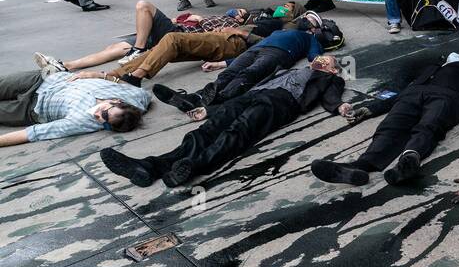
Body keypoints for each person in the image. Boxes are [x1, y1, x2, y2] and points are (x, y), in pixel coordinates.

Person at [100, 55, 357, 188]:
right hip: (252, 95)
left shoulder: (331, 79)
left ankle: (192, 166)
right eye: (320, 57)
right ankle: (149, 167)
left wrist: (340, 106)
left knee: (238, 131)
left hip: (280, 102)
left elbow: (331, 96)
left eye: (329, 61)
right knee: (206, 130)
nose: (322, 59)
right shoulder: (291, 69)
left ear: (333, 69)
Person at [313, 52, 459, 187]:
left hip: (447, 96)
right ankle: (361, 166)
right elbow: (401, 93)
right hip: (413, 95)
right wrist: (370, 109)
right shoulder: (431, 68)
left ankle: (409, 160)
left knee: (429, 125)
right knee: (390, 126)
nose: (455, 54)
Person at [33, 0, 255, 77]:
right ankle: (65, 66)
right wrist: (195, 17)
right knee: (115, 48)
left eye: (242, 13)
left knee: (143, 5)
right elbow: (187, 18)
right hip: (173, 29)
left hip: (180, 36)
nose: (238, 12)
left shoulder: (235, 28)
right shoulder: (218, 16)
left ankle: (137, 50)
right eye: (237, 10)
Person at [155, 18, 334, 112]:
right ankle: (194, 98)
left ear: (314, 30)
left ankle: (212, 102)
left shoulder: (309, 38)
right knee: (229, 73)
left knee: (248, 75)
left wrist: (327, 66)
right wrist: (219, 64)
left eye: (311, 22)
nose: (305, 21)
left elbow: (315, 57)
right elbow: (251, 48)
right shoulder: (281, 31)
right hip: (256, 49)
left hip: (278, 54)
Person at [0, 69, 148, 147]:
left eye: (105, 123)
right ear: (115, 101)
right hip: (44, 80)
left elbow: (34, 133)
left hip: (31, 108)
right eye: (104, 112)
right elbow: (145, 95)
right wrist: (97, 75)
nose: (98, 116)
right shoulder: (135, 97)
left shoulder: (84, 122)